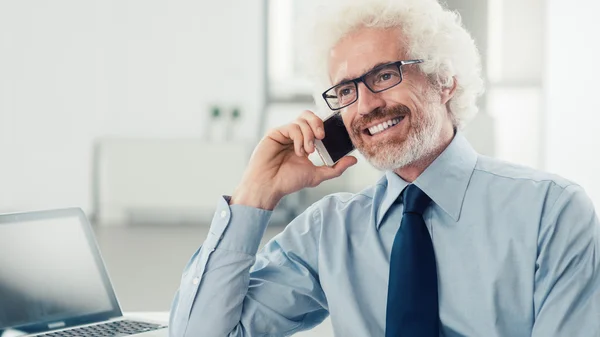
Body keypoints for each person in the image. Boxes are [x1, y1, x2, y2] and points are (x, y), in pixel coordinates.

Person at [168, 0, 600, 335]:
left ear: (444, 79)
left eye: (385, 75)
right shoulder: (329, 231)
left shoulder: (551, 211)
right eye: (346, 89)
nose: (367, 105)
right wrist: (255, 194)